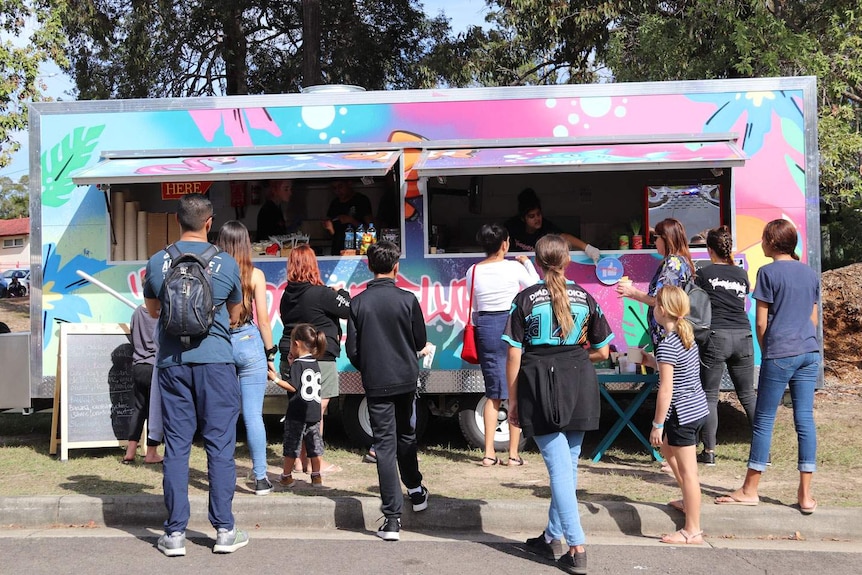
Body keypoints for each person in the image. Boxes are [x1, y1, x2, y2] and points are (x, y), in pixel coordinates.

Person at [143, 193, 249, 556]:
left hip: (172, 364)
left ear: (177, 220)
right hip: (216, 363)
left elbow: (153, 310)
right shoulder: (226, 263)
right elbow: (235, 315)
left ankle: (174, 535)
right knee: (220, 444)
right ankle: (224, 530)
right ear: (209, 223)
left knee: (177, 446)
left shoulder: (158, 262)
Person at [504, 234, 613, 574]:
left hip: (540, 381)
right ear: (567, 261)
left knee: (559, 470)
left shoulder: (525, 299)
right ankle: (551, 538)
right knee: (568, 466)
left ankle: (576, 547)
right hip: (580, 378)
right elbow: (604, 351)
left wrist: (512, 400)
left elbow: (513, 352)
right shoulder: (585, 296)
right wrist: (575, 357)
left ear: (537, 262)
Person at [716, 219, 820, 514]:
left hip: (780, 352)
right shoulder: (809, 273)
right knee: (804, 420)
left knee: (763, 420)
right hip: (809, 351)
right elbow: (812, 319)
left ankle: (750, 489)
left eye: (763, 238)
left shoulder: (767, 272)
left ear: (772, 243)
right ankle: (805, 495)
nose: (761, 242)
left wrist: (767, 350)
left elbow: (761, 322)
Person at [346, 241, 430, 541]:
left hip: (376, 381)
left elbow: (352, 351)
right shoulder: (408, 300)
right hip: (406, 379)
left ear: (369, 266)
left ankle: (392, 519)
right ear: (397, 267)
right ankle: (417, 491)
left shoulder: (358, 303)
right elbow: (420, 340)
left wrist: (369, 366)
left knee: (384, 445)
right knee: (407, 436)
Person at [467, 223, 539, 467]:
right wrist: (527, 262)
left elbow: (474, 304)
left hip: (485, 327)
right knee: (514, 390)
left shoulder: (473, 271)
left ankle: (488, 454)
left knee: (493, 393)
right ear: (505, 244)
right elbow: (535, 285)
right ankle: (513, 454)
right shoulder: (512, 267)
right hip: (511, 325)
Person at [642, 285, 709, 545]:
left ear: (661, 310)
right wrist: (651, 362)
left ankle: (692, 530)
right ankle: (687, 500)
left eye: (655, 304)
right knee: (669, 452)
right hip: (697, 408)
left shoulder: (667, 344)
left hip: (682, 414)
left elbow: (666, 389)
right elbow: (676, 370)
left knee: (688, 472)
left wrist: (657, 424)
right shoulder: (685, 336)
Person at [278, 244, 351, 474]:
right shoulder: (321, 294)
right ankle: (315, 461)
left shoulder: (286, 295)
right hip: (319, 358)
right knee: (317, 410)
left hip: (289, 356)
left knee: (300, 408)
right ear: (312, 265)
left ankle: (300, 460)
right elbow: (348, 309)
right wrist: (341, 293)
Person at [217, 220, 277, 496]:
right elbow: (263, 320)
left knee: (224, 415)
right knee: (253, 415)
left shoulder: (212, 271)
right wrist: (270, 354)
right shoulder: (255, 274)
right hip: (249, 341)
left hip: (220, 344)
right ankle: (261, 478)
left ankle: (223, 475)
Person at [695, 225, 756, 466]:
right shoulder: (741, 274)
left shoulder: (703, 273)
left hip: (716, 336)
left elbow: (696, 304)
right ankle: (763, 452)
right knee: (748, 395)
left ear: (709, 249)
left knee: (710, 395)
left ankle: (709, 452)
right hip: (743, 336)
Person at [616, 218, 695, 350]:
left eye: (656, 238)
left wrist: (632, 292)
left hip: (666, 332)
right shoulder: (682, 261)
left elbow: (658, 300)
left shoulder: (672, 263)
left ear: (665, 239)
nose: (654, 242)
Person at [269, 324, 327, 489]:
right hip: (314, 412)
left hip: (297, 412)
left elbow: (293, 386)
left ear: (296, 344)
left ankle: (286, 476)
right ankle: (316, 476)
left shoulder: (297, 365)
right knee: (315, 445)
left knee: (292, 445)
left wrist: (275, 379)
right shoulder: (314, 363)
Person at [504, 188, 600, 263]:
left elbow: (563, 237)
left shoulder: (546, 227)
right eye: (531, 216)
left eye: (539, 214)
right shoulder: (512, 226)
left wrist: (587, 248)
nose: (537, 219)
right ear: (523, 218)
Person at [123, 304, 162, 465]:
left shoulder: (137, 312)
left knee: (138, 409)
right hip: (155, 366)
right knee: (155, 412)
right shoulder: (160, 312)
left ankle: (130, 452)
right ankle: (151, 452)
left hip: (138, 365)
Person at [323, 179, 373, 255]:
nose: (337, 191)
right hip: (338, 251)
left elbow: (371, 229)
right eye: (334, 188)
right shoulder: (334, 203)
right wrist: (330, 229)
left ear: (349, 183)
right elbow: (331, 235)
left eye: (340, 187)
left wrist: (351, 220)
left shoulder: (361, 200)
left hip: (358, 251)